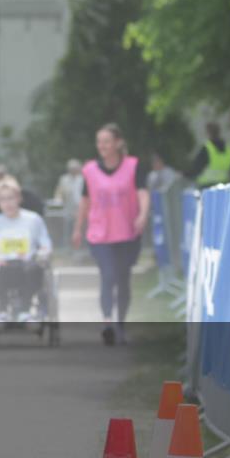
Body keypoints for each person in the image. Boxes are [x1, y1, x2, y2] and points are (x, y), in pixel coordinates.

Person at [71, 123, 150, 346]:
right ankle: (107, 322)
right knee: (108, 275)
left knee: (123, 279)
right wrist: (78, 228)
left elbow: (143, 194)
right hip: (100, 234)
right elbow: (85, 201)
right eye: (99, 142)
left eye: (106, 141)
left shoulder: (133, 166)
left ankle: (120, 325)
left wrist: (143, 214)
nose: (102, 146)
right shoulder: (90, 170)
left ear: (118, 143)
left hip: (127, 233)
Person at [0, 177, 52, 323]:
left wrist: (42, 252)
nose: (8, 203)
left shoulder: (33, 220)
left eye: (11, 198)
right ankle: (3, 311)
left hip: (27, 264)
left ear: (18, 198)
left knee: (34, 268)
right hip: (4, 265)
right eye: (3, 199)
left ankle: (24, 311)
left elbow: (45, 244)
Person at [186, 122, 230, 188]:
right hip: (224, 184)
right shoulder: (228, 148)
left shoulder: (207, 148)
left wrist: (186, 174)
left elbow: (197, 167)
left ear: (208, 133)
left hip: (207, 185)